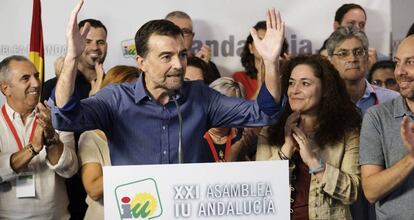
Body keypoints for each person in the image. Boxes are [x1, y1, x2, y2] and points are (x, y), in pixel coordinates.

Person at [50, 1, 285, 165]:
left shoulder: (200, 97)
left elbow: (265, 112)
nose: (178, 65)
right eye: (166, 57)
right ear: (141, 62)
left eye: (182, 55)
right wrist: (72, 58)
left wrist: (271, 63)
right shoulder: (116, 100)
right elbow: (65, 117)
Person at [256, 55, 361, 219]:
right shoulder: (270, 130)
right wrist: (286, 150)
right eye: (291, 83)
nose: (294, 90)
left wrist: (313, 161)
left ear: (326, 89)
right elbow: (258, 189)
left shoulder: (347, 132)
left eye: (305, 83)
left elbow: (352, 192)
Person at [0, 55, 78, 219]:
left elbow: (70, 170)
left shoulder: (56, 118)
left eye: (36, 76)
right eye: (25, 78)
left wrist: (51, 139)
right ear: (6, 88)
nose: (36, 83)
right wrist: (32, 148)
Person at [360, 35, 414, 220]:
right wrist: (411, 159)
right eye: (398, 63)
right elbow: (371, 191)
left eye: (410, 62)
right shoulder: (377, 117)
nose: (400, 71)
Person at [79, 65, 139, 220]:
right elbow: (93, 189)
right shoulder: (91, 136)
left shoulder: (150, 131)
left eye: (136, 93)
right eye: (126, 93)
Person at [327, 26, 399, 115]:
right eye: (343, 54)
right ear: (330, 60)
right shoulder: (321, 101)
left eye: (358, 52)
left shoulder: (393, 100)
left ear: (367, 57)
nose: (352, 59)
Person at [201, 77, 257, 162]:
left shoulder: (244, 137)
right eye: (217, 103)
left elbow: (258, 170)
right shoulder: (194, 136)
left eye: (230, 106)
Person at [233, 21, 289, 100]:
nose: (264, 45)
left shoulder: (286, 76)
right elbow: (242, 111)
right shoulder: (239, 78)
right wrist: (261, 88)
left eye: (269, 40)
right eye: (259, 40)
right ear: (251, 48)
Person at [165, 10, 221, 80]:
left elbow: (214, 90)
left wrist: (204, 68)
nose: (180, 35)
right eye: (174, 31)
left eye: (185, 31)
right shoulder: (156, 63)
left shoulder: (208, 65)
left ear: (192, 36)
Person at [333, 3, 388, 68]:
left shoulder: (381, 61)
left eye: (361, 25)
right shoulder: (323, 60)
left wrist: (374, 71)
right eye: (351, 23)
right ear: (336, 27)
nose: (357, 29)